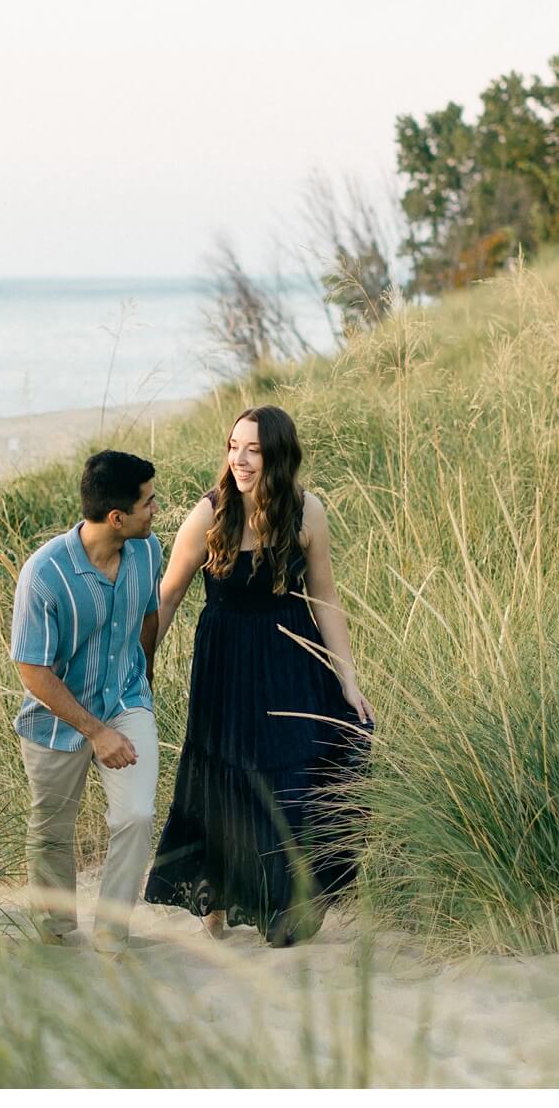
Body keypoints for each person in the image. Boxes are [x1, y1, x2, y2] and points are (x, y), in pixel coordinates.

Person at [143, 405, 372, 947]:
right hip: (227, 665)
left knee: (300, 771)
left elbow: (325, 597)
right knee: (227, 776)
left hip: (293, 656)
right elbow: (168, 596)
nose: (239, 459)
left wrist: (348, 679)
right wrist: (140, 671)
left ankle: (292, 901)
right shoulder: (209, 515)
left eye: (253, 449)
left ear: (278, 455)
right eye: (233, 446)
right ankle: (216, 895)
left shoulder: (306, 511)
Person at [10, 448, 164, 956]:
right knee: (52, 828)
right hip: (57, 719)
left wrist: (137, 682)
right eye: (147, 503)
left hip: (125, 699)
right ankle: (54, 934)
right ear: (116, 518)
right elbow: (32, 669)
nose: (155, 510)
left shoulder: (148, 551)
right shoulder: (44, 575)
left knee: (137, 815)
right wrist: (95, 730)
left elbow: (148, 616)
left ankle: (111, 932)